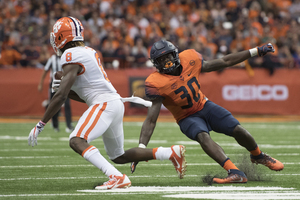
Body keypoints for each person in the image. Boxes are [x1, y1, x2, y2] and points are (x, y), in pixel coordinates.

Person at [28, 17, 186, 190]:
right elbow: (85, 95)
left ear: (61, 37)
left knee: (76, 140)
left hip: (105, 104)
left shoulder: (70, 55)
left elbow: (61, 97)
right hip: (113, 103)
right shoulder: (87, 51)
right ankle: (170, 153)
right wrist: (66, 89)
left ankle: (116, 177)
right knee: (118, 156)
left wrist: (41, 123)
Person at [131, 39, 284, 184]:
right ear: (156, 63)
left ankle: (258, 155)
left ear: (175, 54)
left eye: (168, 56)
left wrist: (255, 51)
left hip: (205, 105)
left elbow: (225, 61)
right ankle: (235, 172)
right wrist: (141, 149)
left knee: (237, 129)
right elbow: (151, 119)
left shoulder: (190, 59)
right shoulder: (156, 82)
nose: (166, 61)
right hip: (186, 117)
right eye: (161, 59)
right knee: (203, 136)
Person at [38, 54, 74, 133]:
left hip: (65, 83)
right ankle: (55, 125)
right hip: (54, 84)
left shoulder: (67, 58)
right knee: (54, 104)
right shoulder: (52, 59)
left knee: (67, 104)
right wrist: (40, 83)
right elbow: (45, 70)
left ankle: (69, 125)